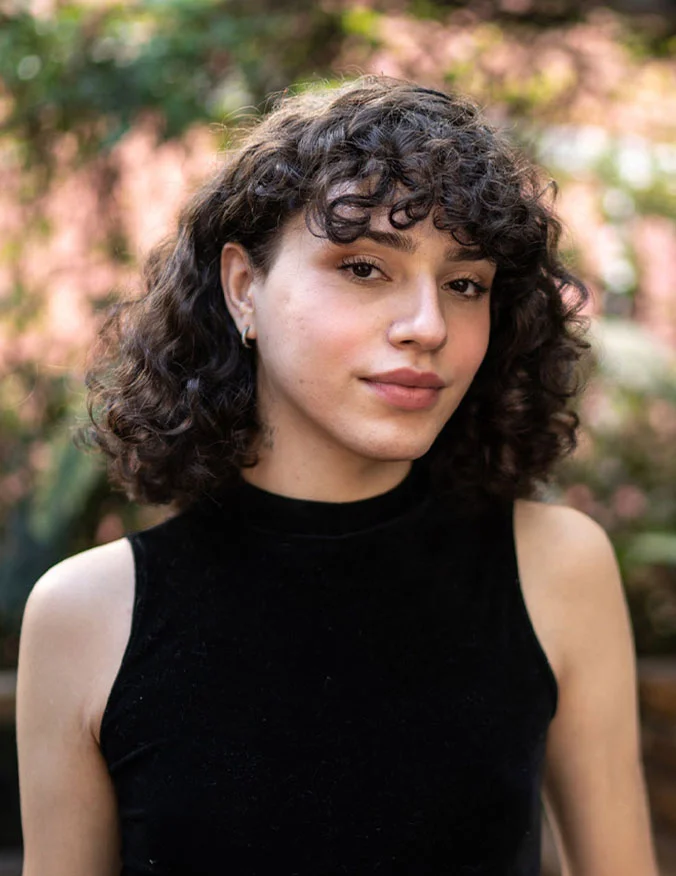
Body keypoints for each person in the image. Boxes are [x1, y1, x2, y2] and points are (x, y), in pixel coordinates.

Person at [16, 76, 658, 876]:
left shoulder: (556, 568)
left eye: (465, 285)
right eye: (363, 268)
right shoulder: (87, 615)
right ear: (244, 288)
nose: (427, 327)